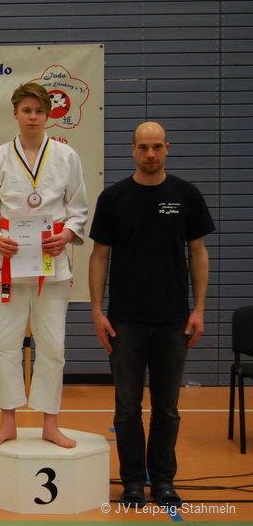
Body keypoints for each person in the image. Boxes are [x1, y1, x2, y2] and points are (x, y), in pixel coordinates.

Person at [89, 121, 213, 507]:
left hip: (173, 320)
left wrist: (199, 309)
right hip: (124, 321)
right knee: (127, 408)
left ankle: (163, 480)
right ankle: (131, 481)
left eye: (157, 147)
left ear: (167, 148)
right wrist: (96, 311)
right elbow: (99, 256)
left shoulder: (186, 195)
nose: (150, 154)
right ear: (133, 150)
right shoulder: (113, 198)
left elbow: (198, 253)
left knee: (166, 408)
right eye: (143, 147)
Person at [0, 82, 88, 448]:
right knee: (4, 343)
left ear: (48, 115)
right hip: (10, 262)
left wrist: (66, 234)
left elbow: (78, 207)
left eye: (39, 111)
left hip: (51, 264)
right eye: (26, 110)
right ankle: (7, 421)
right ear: (15, 114)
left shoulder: (66, 156)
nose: (33, 117)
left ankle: (50, 422)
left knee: (53, 345)